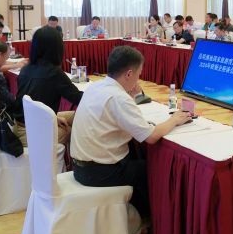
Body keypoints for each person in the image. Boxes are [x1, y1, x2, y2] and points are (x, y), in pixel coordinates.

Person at [72, 46, 191, 220]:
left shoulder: (96, 86)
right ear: (129, 74)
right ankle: (152, 221)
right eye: (138, 74)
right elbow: (151, 137)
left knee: (136, 158)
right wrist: (174, 120)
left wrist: (132, 97)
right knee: (153, 169)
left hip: (80, 167)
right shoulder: (119, 98)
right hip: (99, 173)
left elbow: (116, 115)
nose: (138, 79)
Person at [13, 27, 83, 161]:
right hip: (33, 133)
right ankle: (74, 166)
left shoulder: (26, 69)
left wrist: (54, 118)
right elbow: (79, 99)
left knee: (77, 116)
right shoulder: (54, 73)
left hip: (22, 124)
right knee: (75, 128)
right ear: (57, 48)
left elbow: (35, 101)